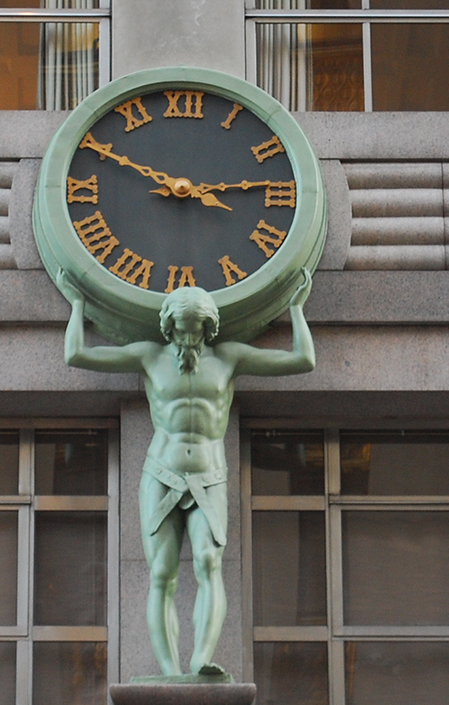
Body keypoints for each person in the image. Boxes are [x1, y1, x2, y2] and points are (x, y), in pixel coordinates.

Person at [61, 272, 316, 678]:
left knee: (208, 563)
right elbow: (77, 355)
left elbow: (302, 360)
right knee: (162, 573)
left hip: (209, 476)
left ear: (208, 326)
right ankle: (169, 670)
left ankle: (200, 660)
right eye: (182, 328)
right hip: (161, 472)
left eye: (196, 328)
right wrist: (77, 306)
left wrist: (297, 310)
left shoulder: (228, 357)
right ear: (170, 325)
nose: (189, 337)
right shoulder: (149, 356)